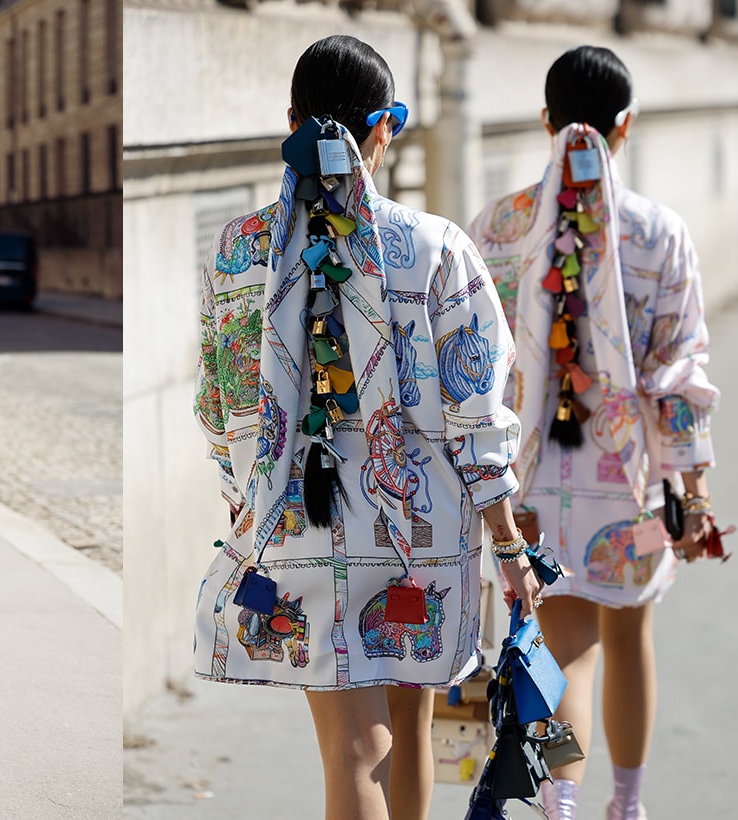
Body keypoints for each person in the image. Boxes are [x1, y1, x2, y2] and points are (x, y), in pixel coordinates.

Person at [193, 35, 543, 820]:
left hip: (297, 521)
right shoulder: (438, 247)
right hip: (423, 533)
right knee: (410, 730)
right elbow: (477, 411)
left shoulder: (240, 248)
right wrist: (512, 545)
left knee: (353, 751)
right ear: (384, 130)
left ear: (290, 122)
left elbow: (220, 402)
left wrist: (242, 497)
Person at [467, 45, 719, 820]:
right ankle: (629, 806)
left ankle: (560, 802)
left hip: (531, 485)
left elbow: (474, 366)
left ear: (545, 121)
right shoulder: (661, 234)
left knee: (561, 653)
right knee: (629, 640)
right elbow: (679, 373)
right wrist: (695, 490)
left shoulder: (498, 226)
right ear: (626, 127)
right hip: (631, 489)